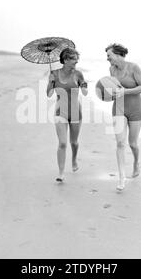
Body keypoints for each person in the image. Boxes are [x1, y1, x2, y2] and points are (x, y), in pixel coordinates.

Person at [105, 43, 141, 191]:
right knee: (120, 143)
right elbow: (115, 89)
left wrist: (125, 92)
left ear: (117, 55)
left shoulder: (134, 68)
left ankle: (136, 162)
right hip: (118, 108)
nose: (108, 59)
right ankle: (121, 178)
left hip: (135, 109)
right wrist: (108, 94)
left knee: (133, 143)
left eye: (109, 56)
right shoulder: (112, 69)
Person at [47, 47, 88, 183]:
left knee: (74, 142)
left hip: (76, 112)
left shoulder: (78, 74)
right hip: (60, 112)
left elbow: (85, 92)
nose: (76, 62)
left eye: (77, 59)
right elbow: (49, 94)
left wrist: (84, 85)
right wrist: (51, 82)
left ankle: (74, 159)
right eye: (74, 59)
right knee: (63, 143)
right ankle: (61, 173)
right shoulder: (53, 73)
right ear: (65, 60)